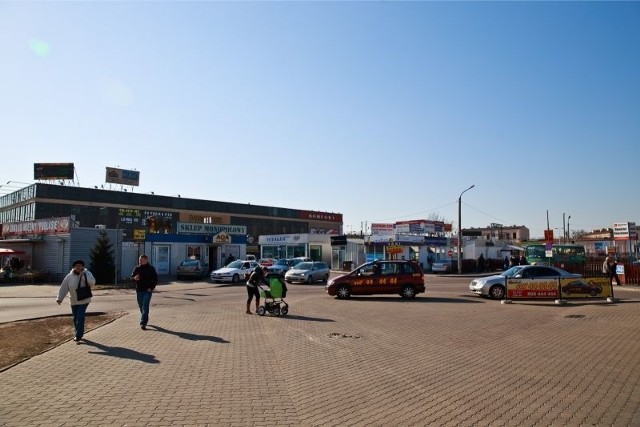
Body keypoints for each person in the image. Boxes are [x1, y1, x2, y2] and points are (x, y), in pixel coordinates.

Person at [56, 259, 96, 343]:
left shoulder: (87, 273)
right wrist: (60, 298)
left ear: (83, 266)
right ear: (73, 267)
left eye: (80, 265)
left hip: (84, 299)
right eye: (76, 266)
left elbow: (92, 283)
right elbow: (64, 287)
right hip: (73, 300)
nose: (78, 267)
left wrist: (84, 276)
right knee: (75, 318)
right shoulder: (69, 276)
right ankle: (77, 332)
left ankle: (78, 335)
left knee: (80, 317)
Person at [131, 254, 158, 330]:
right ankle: (145, 317)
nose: (140, 261)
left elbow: (155, 279)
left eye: (142, 260)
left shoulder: (151, 269)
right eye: (139, 260)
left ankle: (143, 323)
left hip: (147, 290)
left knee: (145, 306)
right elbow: (132, 277)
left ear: (146, 260)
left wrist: (151, 288)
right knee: (140, 306)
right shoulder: (137, 268)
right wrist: (134, 278)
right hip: (139, 290)